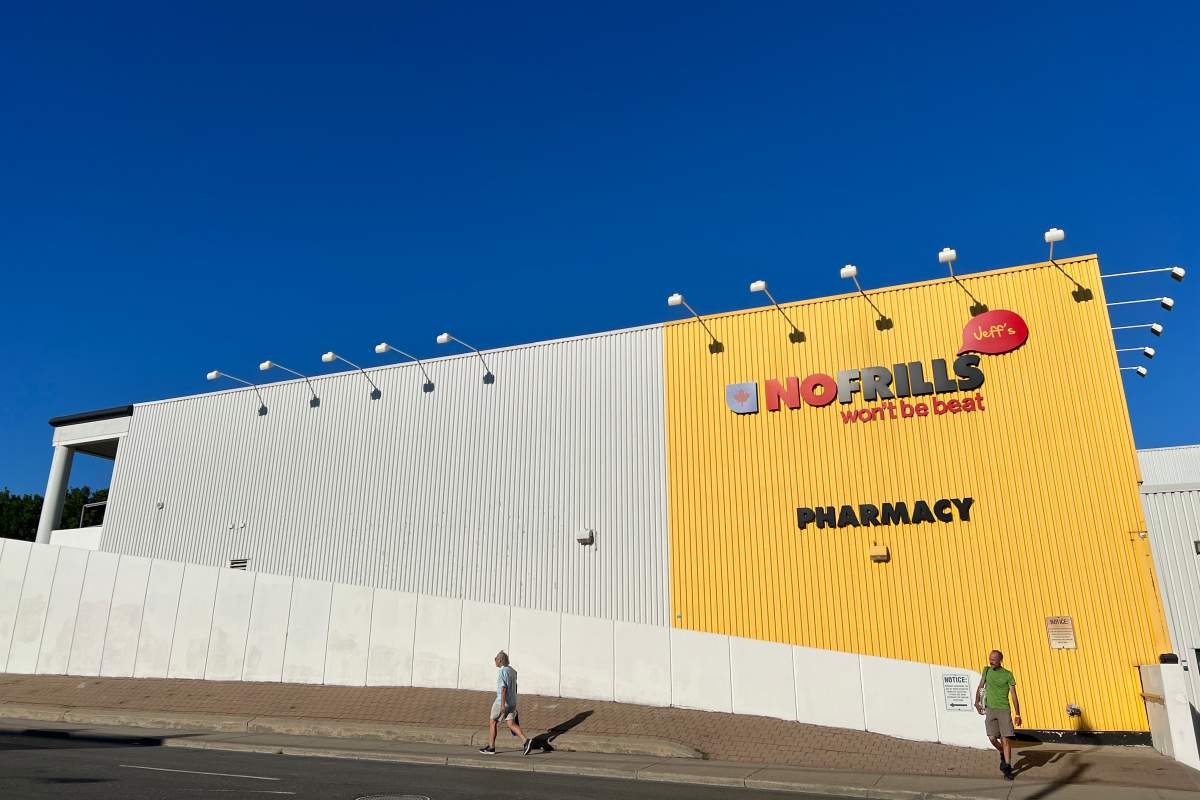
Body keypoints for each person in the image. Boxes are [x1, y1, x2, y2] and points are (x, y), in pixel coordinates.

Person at [975, 649, 1022, 780]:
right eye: (990, 659)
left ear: (1000, 660)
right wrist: (976, 702)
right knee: (991, 738)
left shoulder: (1008, 674)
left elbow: (1013, 695)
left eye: (994, 660)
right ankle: (1001, 751)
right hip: (990, 709)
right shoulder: (987, 670)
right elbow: (980, 687)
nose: (991, 661)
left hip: (1004, 710)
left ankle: (1007, 768)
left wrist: (1018, 714)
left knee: (1005, 739)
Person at [479, 651, 533, 755]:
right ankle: (526, 741)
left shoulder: (502, 671)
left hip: (502, 702)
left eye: (495, 659)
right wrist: (513, 700)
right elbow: (515, 686)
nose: (495, 661)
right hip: (512, 702)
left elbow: (503, 689)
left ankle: (491, 747)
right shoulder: (512, 671)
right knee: (510, 723)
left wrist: (503, 705)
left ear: (500, 660)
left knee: (493, 722)